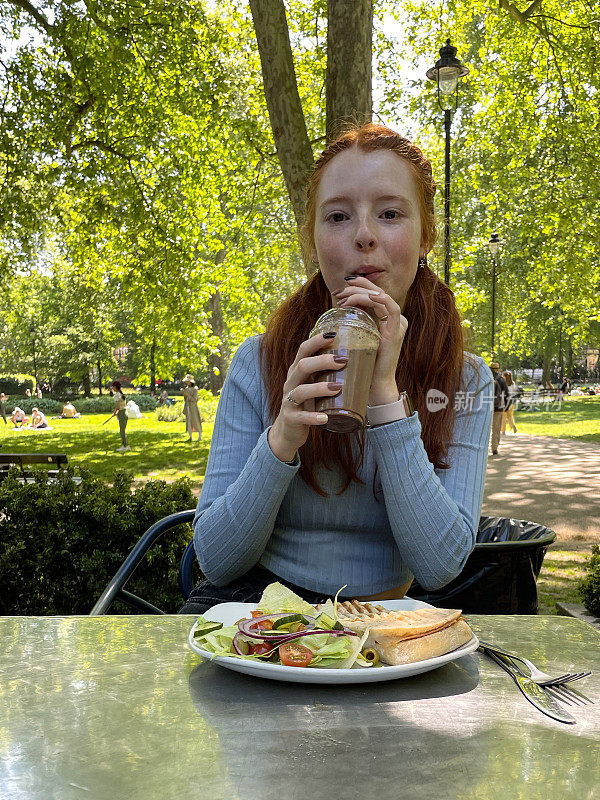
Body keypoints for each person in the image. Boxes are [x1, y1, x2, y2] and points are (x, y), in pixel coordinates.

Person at [179, 123, 493, 615]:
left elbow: (440, 566)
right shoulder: (258, 361)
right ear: (314, 240)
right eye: (339, 216)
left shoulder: (465, 379)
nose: (364, 236)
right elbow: (216, 561)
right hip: (262, 614)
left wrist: (386, 397)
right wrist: (282, 437)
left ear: (426, 234)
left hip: (383, 626)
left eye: (390, 214)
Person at [490, 363, 508, 455]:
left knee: (486, 429)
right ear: (498, 369)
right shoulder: (501, 379)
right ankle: (494, 447)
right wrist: (507, 406)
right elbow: (506, 394)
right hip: (498, 407)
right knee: (496, 428)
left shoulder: (486, 378)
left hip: (486, 407)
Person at [110, 381, 130, 452]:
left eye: (113, 386)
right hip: (125, 412)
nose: (112, 388)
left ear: (115, 387)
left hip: (121, 413)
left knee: (122, 431)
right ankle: (126, 445)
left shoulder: (116, 395)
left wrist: (114, 413)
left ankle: (125, 446)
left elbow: (118, 407)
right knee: (123, 430)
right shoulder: (122, 394)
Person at [182, 374, 202, 442]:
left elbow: (194, 399)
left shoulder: (195, 389)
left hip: (193, 407)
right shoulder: (186, 389)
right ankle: (190, 436)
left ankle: (200, 436)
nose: (186, 382)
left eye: (188, 381)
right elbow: (186, 399)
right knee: (189, 421)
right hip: (187, 407)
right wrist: (184, 394)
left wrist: (187, 394)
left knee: (196, 420)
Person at [501, 370, 518, 434]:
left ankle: (503, 430)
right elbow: (515, 392)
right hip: (512, 402)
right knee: (510, 416)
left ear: (504, 377)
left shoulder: (503, 384)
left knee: (504, 416)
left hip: (504, 402)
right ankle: (513, 426)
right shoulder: (513, 384)